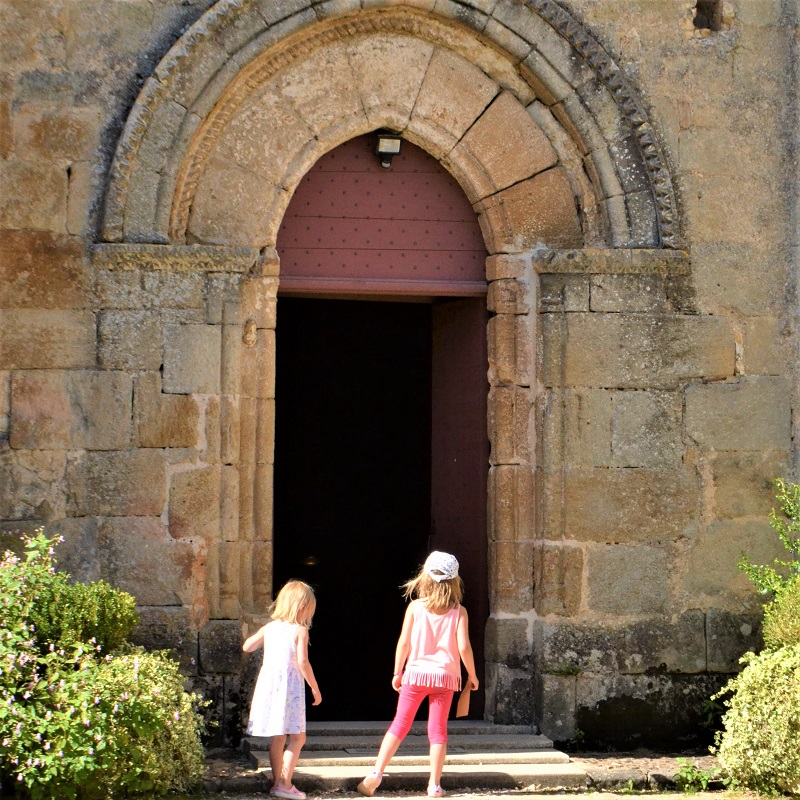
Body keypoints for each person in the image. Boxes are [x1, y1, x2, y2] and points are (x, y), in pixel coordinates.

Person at [357, 552, 479, 799]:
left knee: (400, 724)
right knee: (438, 731)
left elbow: (404, 642)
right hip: (445, 677)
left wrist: (397, 671)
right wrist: (472, 675)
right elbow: (464, 647)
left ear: (425, 578)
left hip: (415, 675)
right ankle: (434, 785)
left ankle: (376, 773)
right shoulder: (459, 612)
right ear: (455, 581)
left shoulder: (415, 607)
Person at [243, 580, 322, 800]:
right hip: (290, 689)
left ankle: (277, 783)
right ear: (302, 607)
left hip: (270, 688)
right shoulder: (300, 630)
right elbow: (303, 662)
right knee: (298, 737)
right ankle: (285, 784)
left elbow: (247, 646)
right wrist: (315, 688)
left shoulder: (270, 628)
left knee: (278, 738)